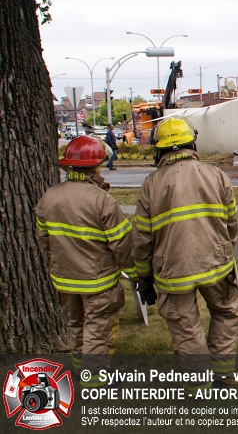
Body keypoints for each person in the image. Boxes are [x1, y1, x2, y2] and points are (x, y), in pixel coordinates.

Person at [132, 116, 238, 389]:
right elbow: (231, 223)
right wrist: (227, 254)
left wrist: (144, 278)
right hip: (217, 265)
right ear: (192, 143)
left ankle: (199, 385)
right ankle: (223, 375)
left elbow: (142, 238)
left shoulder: (151, 184)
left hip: (172, 271)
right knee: (226, 313)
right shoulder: (216, 175)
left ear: (159, 149)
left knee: (186, 327)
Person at [35, 136, 135, 387]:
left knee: (76, 323)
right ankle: (94, 380)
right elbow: (122, 244)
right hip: (98, 280)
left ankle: (80, 370)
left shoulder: (49, 196)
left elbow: (43, 238)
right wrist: (134, 271)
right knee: (97, 327)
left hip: (65, 278)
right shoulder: (102, 200)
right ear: (96, 166)